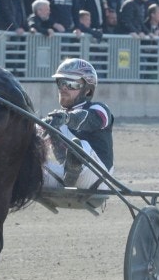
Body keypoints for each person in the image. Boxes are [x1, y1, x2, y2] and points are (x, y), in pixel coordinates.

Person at [42, 58, 113, 189]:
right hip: (66, 178)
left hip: (98, 178)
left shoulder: (100, 109)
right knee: (28, 165)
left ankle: (75, 165)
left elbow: (87, 119)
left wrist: (67, 118)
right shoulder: (55, 118)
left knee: (80, 145)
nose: (63, 88)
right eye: (61, 83)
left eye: (71, 84)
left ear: (88, 90)